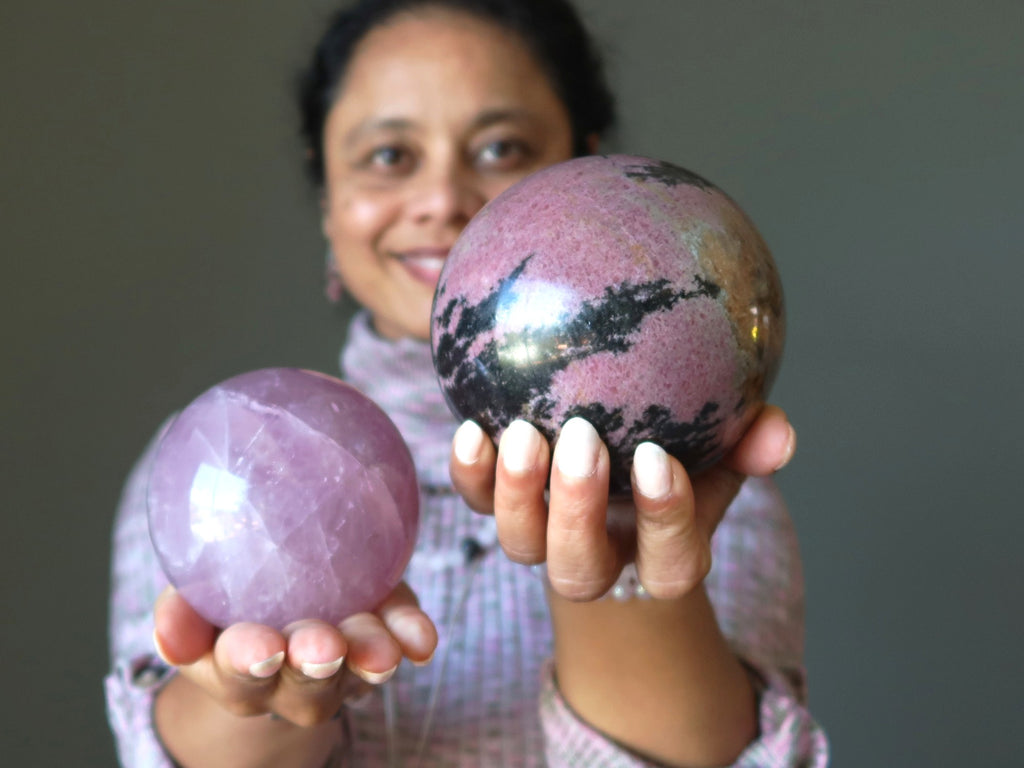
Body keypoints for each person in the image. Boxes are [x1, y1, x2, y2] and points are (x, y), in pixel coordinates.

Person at [105, 1, 829, 766]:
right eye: (389, 156)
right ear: (328, 202)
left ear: (588, 176)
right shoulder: (218, 460)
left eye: (501, 148)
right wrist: (265, 696)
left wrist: (622, 573)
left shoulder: (690, 470)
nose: (444, 198)